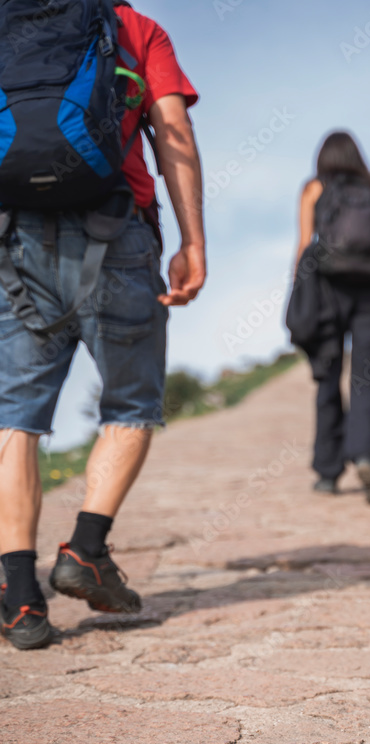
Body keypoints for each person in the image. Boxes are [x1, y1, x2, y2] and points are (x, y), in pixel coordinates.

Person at [0, 1, 206, 650]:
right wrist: (192, 240)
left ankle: (20, 599)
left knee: (16, 414)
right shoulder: (131, 27)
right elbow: (172, 132)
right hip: (118, 230)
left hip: (17, 238)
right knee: (132, 404)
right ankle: (86, 549)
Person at [294, 131, 370, 504]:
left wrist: (298, 299)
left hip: (326, 291)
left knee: (327, 380)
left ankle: (328, 473)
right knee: (367, 378)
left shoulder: (314, 188)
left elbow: (302, 247)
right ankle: (364, 455)